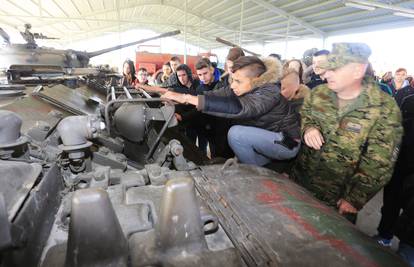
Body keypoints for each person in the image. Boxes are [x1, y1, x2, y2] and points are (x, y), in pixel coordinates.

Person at [290, 42, 403, 222]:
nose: (326, 74)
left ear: (357, 70)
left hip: (337, 199)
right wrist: (309, 128)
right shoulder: (319, 93)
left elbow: (380, 161)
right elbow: (307, 117)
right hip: (300, 183)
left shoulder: (384, 108)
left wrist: (354, 199)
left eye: (334, 69)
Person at [161, 56, 301, 166]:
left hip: (286, 143)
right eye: (232, 80)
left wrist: (186, 98)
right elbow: (218, 94)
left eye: (238, 81)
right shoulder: (246, 86)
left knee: (236, 133)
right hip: (265, 141)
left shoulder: (270, 91)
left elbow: (240, 108)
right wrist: (185, 98)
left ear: (256, 79)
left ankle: (253, 174)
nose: (233, 85)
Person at [376, 79, 414, 247]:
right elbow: (394, 126)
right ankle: (385, 236)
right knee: (391, 202)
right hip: (401, 162)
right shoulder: (408, 98)